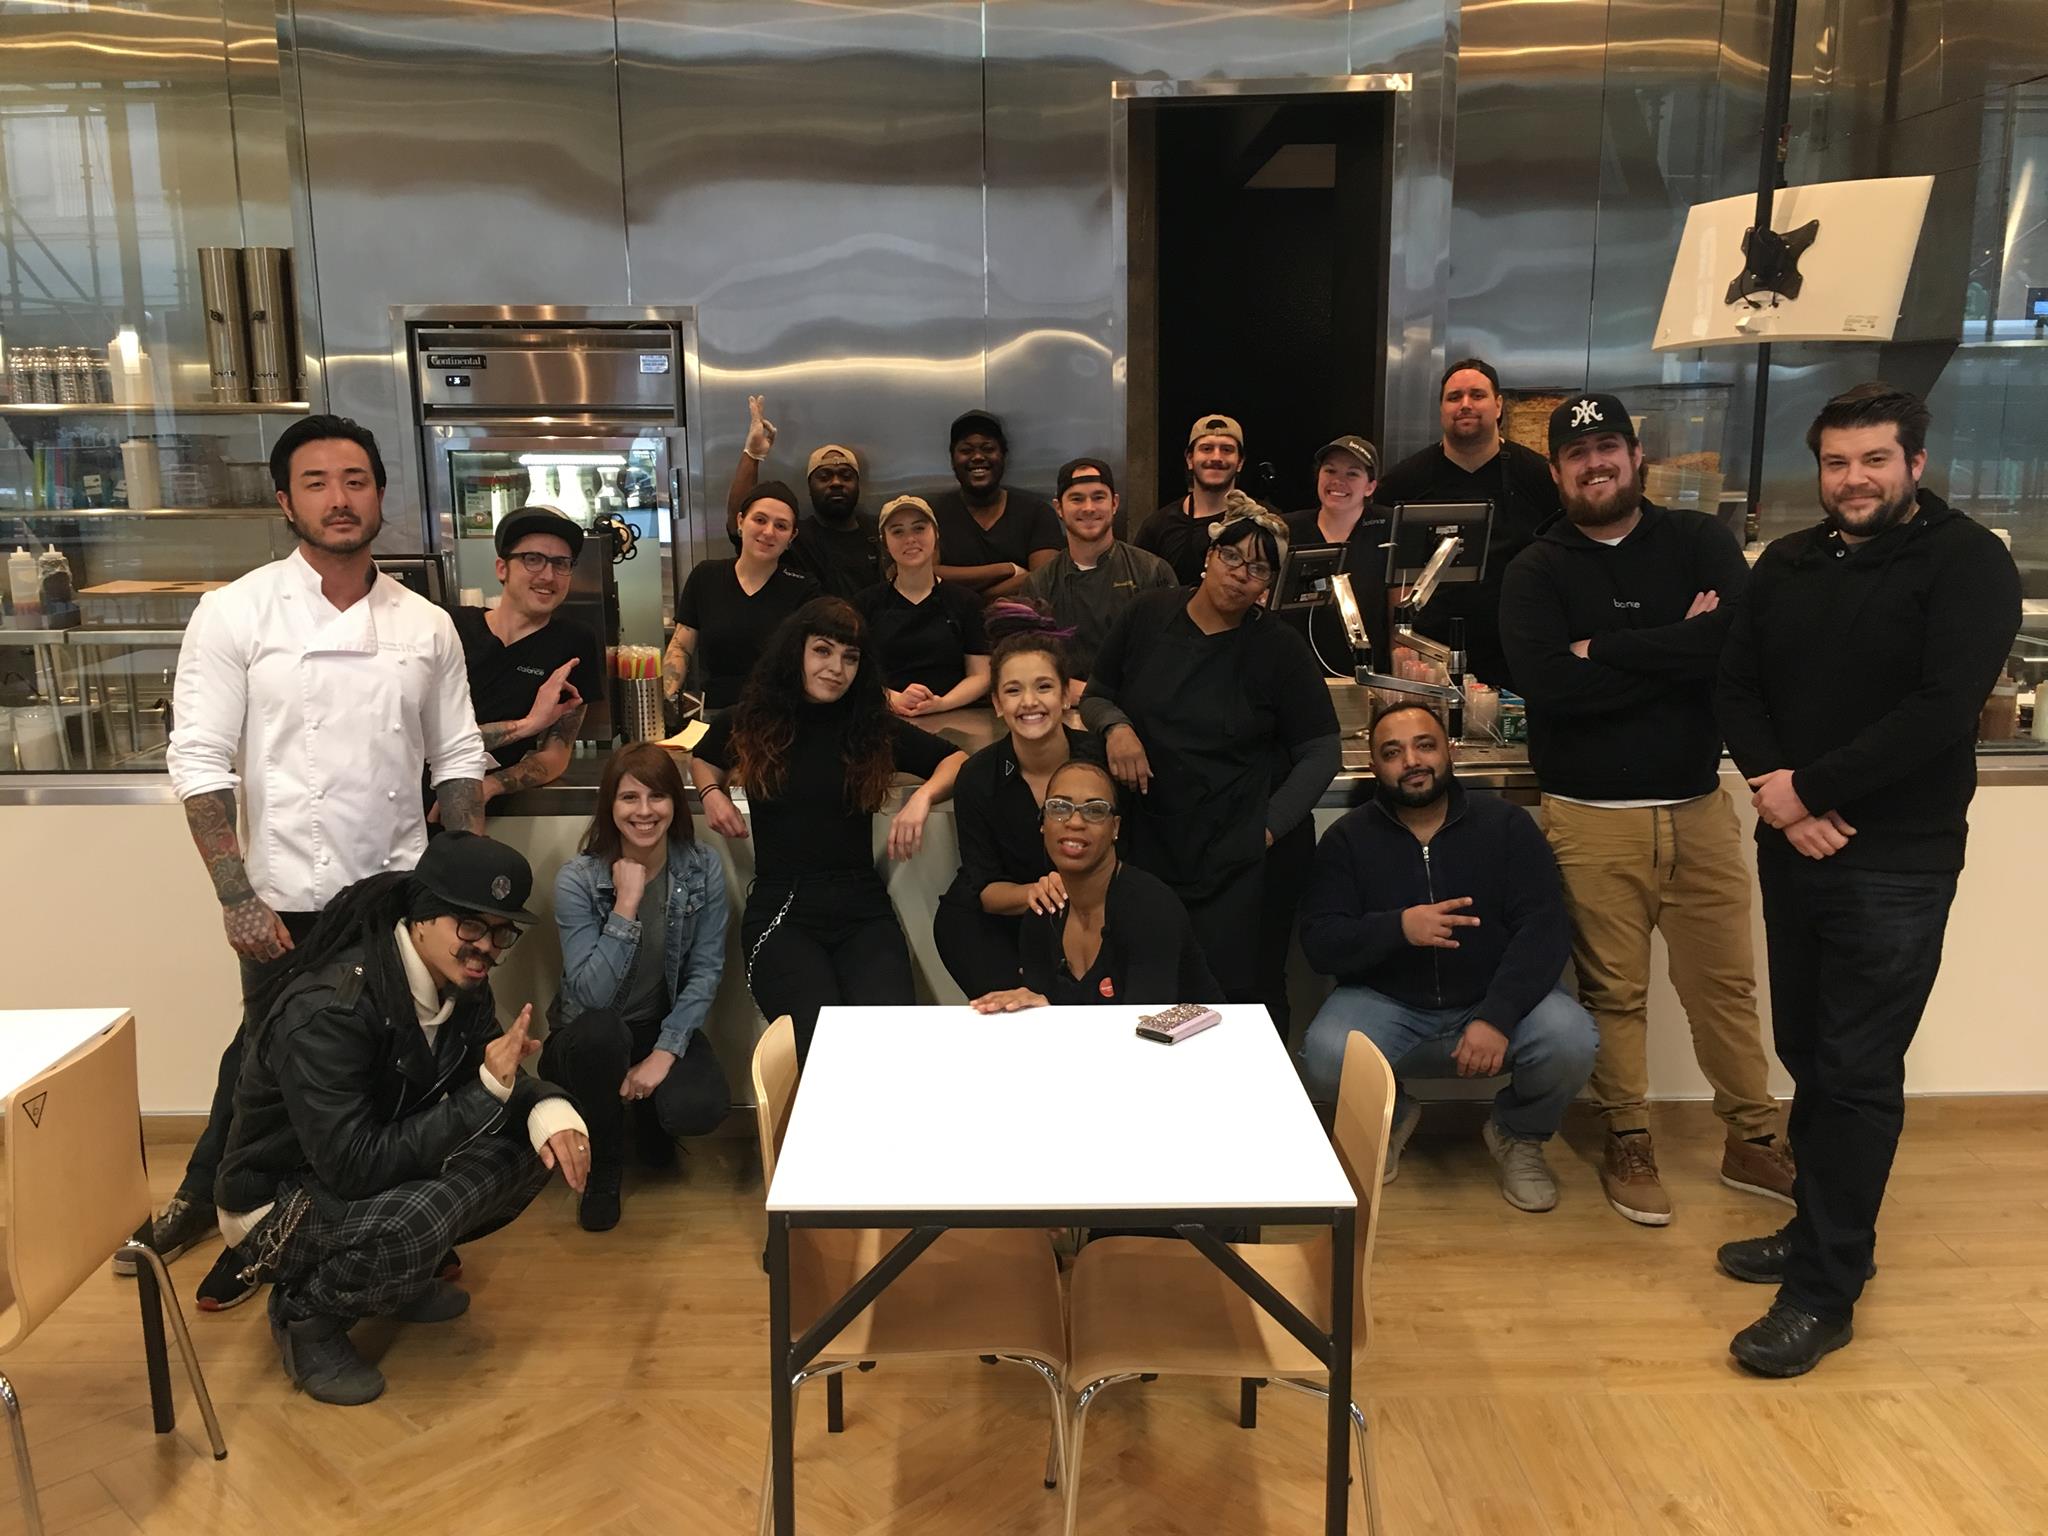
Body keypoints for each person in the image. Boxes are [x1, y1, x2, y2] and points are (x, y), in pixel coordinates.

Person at [145, 413, 487, 1308]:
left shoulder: (425, 625)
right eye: (317, 482)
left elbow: (457, 756)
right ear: (285, 501)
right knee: (272, 1081)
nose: (340, 499)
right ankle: (250, 1236)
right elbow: (200, 760)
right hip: (287, 896)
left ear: (380, 495)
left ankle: (395, 1240)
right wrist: (235, 894)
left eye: (356, 481)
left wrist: (460, 886)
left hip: (398, 897)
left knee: (399, 1070)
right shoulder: (236, 611)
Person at [1715, 383, 2021, 1378]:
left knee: (1854, 1073)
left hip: (1895, 861)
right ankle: (1820, 1233)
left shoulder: (1966, 563)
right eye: (1837, 462)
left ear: (1914, 464)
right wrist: (1779, 793)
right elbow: (1735, 684)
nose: (1853, 479)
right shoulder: (1788, 563)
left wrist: (1806, 790)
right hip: (1792, 844)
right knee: (1807, 1051)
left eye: (1874, 460)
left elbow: (1940, 709)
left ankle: (1822, 1294)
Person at [1499, 392, 1793, 1228]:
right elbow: (1550, 684)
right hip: (1589, 817)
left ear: (1636, 457)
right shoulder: (1537, 568)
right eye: (1577, 455)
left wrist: (1606, 649)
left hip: (1698, 809)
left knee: (1726, 988)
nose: (1595, 464)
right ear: (1557, 472)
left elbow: (1734, 645)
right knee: (1613, 995)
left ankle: (1754, 1137)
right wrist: (1677, 650)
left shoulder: (1699, 540)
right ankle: (1628, 1138)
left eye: (1608, 448)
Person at [212, 833, 589, 1406]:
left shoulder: (462, 987)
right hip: (277, 1201)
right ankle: (306, 1315)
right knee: (421, 1218)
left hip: (357, 1168)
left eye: (501, 932)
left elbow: (497, 1075)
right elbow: (351, 1168)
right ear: (421, 916)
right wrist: (487, 1092)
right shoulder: (331, 1009)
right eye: (470, 926)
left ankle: (398, 1280)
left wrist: (551, 1109)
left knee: (536, 1146)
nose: (486, 948)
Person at [1296, 704, 1597, 1211]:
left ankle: (1518, 1135)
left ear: (1448, 752)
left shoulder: (1507, 825)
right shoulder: (1347, 839)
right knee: (1324, 1055)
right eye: (1393, 752)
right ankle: (1390, 1119)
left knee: (1572, 1038)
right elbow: (1320, 943)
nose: (1412, 761)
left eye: (1425, 746)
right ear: (1374, 767)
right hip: (1387, 1002)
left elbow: (1545, 931)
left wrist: (1497, 1017)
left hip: (1490, 997)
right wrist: (1398, 927)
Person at [1080, 504, 1340, 1034]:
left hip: (1243, 855)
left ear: (1268, 586)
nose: (1241, 574)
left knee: (1247, 994)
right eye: (1232, 557)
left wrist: (1269, 827)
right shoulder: (1147, 615)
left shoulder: (1279, 648)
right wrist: (1115, 727)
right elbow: (1096, 694)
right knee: (1151, 985)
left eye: (1258, 568)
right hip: (1156, 840)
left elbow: (1322, 751)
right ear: (1209, 557)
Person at [691, 597, 968, 1059]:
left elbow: (956, 760)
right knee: (822, 1046)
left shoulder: (870, 726)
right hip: (782, 909)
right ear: (796, 651)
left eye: (850, 657)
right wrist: (711, 793)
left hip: (863, 909)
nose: (836, 668)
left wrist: (922, 799)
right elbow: (702, 757)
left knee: (892, 1044)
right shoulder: (754, 718)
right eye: (823, 650)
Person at [544, 743, 730, 1232]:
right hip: (586, 1035)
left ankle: (649, 1116)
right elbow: (592, 998)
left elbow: (705, 970)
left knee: (701, 1107)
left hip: (656, 1026)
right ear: (610, 805)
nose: (644, 811)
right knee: (602, 1032)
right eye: (629, 797)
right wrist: (626, 904)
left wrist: (664, 1053)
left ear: (675, 803)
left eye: (657, 796)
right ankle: (605, 1164)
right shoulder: (578, 880)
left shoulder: (701, 867)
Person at [934, 606, 1102, 996]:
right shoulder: (977, 776)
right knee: (1014, 1018)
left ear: (1066, 696)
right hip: (992, 923)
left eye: (1043, 687)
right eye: (1013, 690)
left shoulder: (1101, 762)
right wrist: (1034, 892)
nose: (1029, 701)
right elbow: (985, 889)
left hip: (1086, 917)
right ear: (996, 703)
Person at [971, 759, 1218, 1012]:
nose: (1075, 822)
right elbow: (1041, 1013)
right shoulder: (1043, 913)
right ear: (1043, 822)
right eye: (1059, 807)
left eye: (1095, 810)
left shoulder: (1151, 908)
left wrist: (1052, 1011)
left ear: (1115, 828)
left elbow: (1144, 1025)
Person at [1372, 358, 1562, 686]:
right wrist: (1397, 650)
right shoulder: (1405, 481)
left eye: (1477, 395)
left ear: (1498, 405)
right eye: (1454, 397)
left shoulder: (1538, 476)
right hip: (1428, 655)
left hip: (1519, 648)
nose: (1465, 405)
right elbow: (1387, 574)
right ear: (1441, 409)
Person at [452, 505, 600, 807]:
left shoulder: (573, 643)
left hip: (482, 808)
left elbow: (557, 754)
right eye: (533, 559)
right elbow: (424, 741)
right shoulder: (451, 627)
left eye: (561, 563)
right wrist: (529, 724)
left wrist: (490, 786)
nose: (548, 575)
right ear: (502, 569)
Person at [1021, 456, 1176, 684]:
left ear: (1114, 504)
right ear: (1059, 508)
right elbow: (1029, 661)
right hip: (1063, 701)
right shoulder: (1038, 584)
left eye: (1098, 497)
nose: (1089, 508)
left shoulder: (1152, 572)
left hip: (1137, 700)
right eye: (1076, 499)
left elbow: (1170, 654)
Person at [665, 481, 815, 712]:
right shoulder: (706, 576)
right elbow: (681, 647)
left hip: (778, 716)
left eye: (781, 526)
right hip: (712, 714)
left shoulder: (804, 588)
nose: (768, 532)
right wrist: (667, 702)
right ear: (740, 522)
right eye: (760, 520)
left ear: (792, 537)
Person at [724, 395, 880, 598]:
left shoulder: (880, 532)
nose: (836, 483)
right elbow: (740, 531)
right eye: (824, 477)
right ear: (810, 487)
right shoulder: (794, 538)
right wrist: (753, 455)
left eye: (846, 476)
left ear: (858, 485)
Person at [854, 494, 991, 716]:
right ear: (885, 542)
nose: (910, 539)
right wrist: (893, 699)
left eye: (919, 529)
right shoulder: (865, 603)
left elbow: (981, 675)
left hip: (958, 717)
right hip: (883, 717)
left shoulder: (966, 602)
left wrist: (941, 703)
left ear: (935, 534)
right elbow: (853, 671)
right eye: (898, 531)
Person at [1284, 435, 1392, 676]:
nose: (1338, 481)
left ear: (1370, 487)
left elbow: (1398, 612)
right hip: (1294, 673)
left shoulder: (1388, 527)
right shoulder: (1287, 529)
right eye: (1330, 470)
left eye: (1352, 474)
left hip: (1368, 677)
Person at [928, 409, 1063, 601]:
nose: (977, 457)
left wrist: (972, 600)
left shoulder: (1037, 513)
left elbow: (1043, 580)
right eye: (966, 450)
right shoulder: (931, 514)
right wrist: (1007, 569)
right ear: (952, 460)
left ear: (1003, 456)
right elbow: (923, 574)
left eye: (988, 448)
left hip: (1020, 620)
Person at [1135, 412, 1257, 586]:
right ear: (1190, 459)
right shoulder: (1157, 526)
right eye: (1206, 449)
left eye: (1227, 450)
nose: (1216, 458)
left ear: (1240, 462)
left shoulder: (1262, 523)